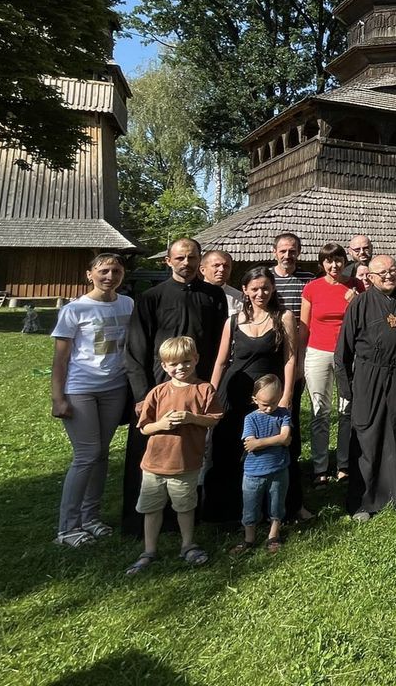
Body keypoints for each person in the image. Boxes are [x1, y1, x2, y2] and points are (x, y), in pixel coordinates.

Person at [122, 237, 228, 537]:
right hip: (158, 385)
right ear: (168, 261)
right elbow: (135, 349)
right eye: (180, 258)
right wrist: (142, 396)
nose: (186, 263)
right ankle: (144, 521)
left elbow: (220, 343)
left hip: (198, 387)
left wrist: (211, 386)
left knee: (193, 448)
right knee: (151, 449)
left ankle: (190, 515)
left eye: (192, 257)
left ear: (199, 260)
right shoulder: (152, 297)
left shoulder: (213, 296)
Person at [334, 254, 396, 520]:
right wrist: (347, 390)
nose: (388, 275)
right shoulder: (360, 304)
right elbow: (342, 351)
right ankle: (364, 502)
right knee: (369, 436)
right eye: (382, 273)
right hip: (369, 377)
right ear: (371, 278)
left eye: (392, 271)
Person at [205, 268, 302, 524]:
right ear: (245, 291)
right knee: (230, 448)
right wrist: (211, 393)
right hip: (235, 392)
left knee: (275, 448)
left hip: (270, 392)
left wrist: (287, 395)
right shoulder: (234, 320)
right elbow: (221, 361)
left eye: (266, 288)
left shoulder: (284, 317)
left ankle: (279, 509)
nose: (261, 293)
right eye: (255, 289)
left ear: (273, 289)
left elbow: (290, 359)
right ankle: (230, 510)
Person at [50, 252, 133, 547]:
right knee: (86, 455)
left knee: (101, 454)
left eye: (116, 271)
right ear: (90, 274)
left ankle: (91, 518)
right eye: (104, 271)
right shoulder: (75, 310)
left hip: (114, 388)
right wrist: (58, 398)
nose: (110, 276)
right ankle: (67, 527)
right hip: (81, 388)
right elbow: (60, 359)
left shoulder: (128, 304)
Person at [125, 336, 223, 576]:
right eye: (174, 364)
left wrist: (191, 418)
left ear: (196, 359)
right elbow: (144, 427)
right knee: (151, 508)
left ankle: (187, 545)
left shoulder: (204, 389)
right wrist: (162, 424)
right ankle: (149, 550)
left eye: (187, 361)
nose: (181, 367)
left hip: (186, 464)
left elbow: (215, 418)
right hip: (154, 465)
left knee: (185, 506)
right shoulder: (158, 392)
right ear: (165, 366)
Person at [299, 242, 357, 483]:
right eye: (329, 261)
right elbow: (304, 325)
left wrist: (355, 300)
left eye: (338, 260)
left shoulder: (356, 285)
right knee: (320, 411)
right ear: (322, 264)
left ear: (345, 261)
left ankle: (344, 465)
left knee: (347, 410)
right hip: (318, 352)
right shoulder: (312, 288)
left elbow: (360, 321)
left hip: (347, 354)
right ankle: (320, 467)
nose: (334, 265)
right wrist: (301, 355)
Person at [230, 374, 292, 555]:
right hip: (253, 473)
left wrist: (261, 442)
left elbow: (286, 439)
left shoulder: (283, 414)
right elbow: (250, 443)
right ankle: (249, 538)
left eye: (274, 402)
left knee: (277, 505)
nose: (269, 408)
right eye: (264, 403)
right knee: (250, 507)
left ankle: (273, 535)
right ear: (254, 399)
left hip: (279, 469)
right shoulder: (250, 418)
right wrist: (276, 439)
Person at [270, 233, 310, 315]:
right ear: (274, 252)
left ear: (298, 252)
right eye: (283, 251)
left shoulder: (309, 279)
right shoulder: (265, 277)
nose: (287, 256)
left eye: (292, 251)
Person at [200, 249, 242, 315]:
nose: (222, 269)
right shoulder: (193, 294)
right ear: (202, 270)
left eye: (226, 266)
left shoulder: (239, 297)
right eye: (216, 265)